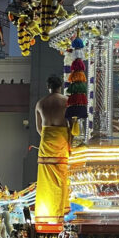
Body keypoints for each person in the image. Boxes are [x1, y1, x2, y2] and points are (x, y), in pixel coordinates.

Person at [34, 74, 71, 221]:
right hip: (61, 141)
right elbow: (71, 125)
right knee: (62, 178)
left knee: (46, 180)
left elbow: (39, 128)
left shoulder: (40, 103)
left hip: (46, 141)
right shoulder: (66, 101)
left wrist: (48, 137)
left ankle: (46, 214)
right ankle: (60, 214)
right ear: (60, 86)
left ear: (48, 86)